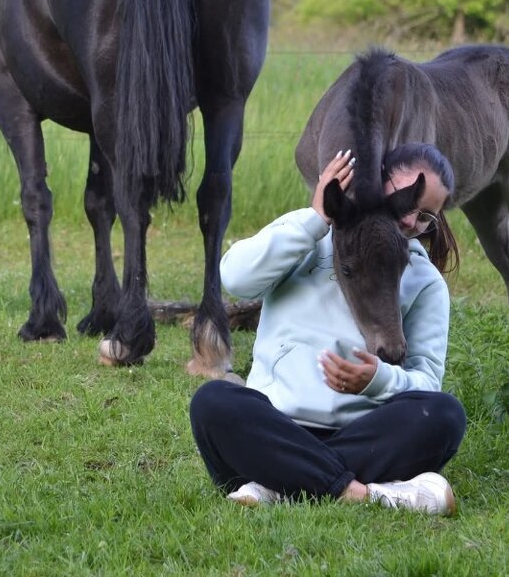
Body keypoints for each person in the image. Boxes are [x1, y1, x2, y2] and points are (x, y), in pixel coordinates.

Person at [189, 143, 466, 513]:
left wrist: (377, 381)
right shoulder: (307, 235)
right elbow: (235, 278)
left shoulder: (425, 281)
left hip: (358, 434)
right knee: (213, 403)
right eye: (405, 198)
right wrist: (315, 219)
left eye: (426, 215)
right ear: (374, 184)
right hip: (275, 425)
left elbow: (426, 384)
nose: (409, 220)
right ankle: (367, 494)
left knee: (445, 415)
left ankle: (274, 484)